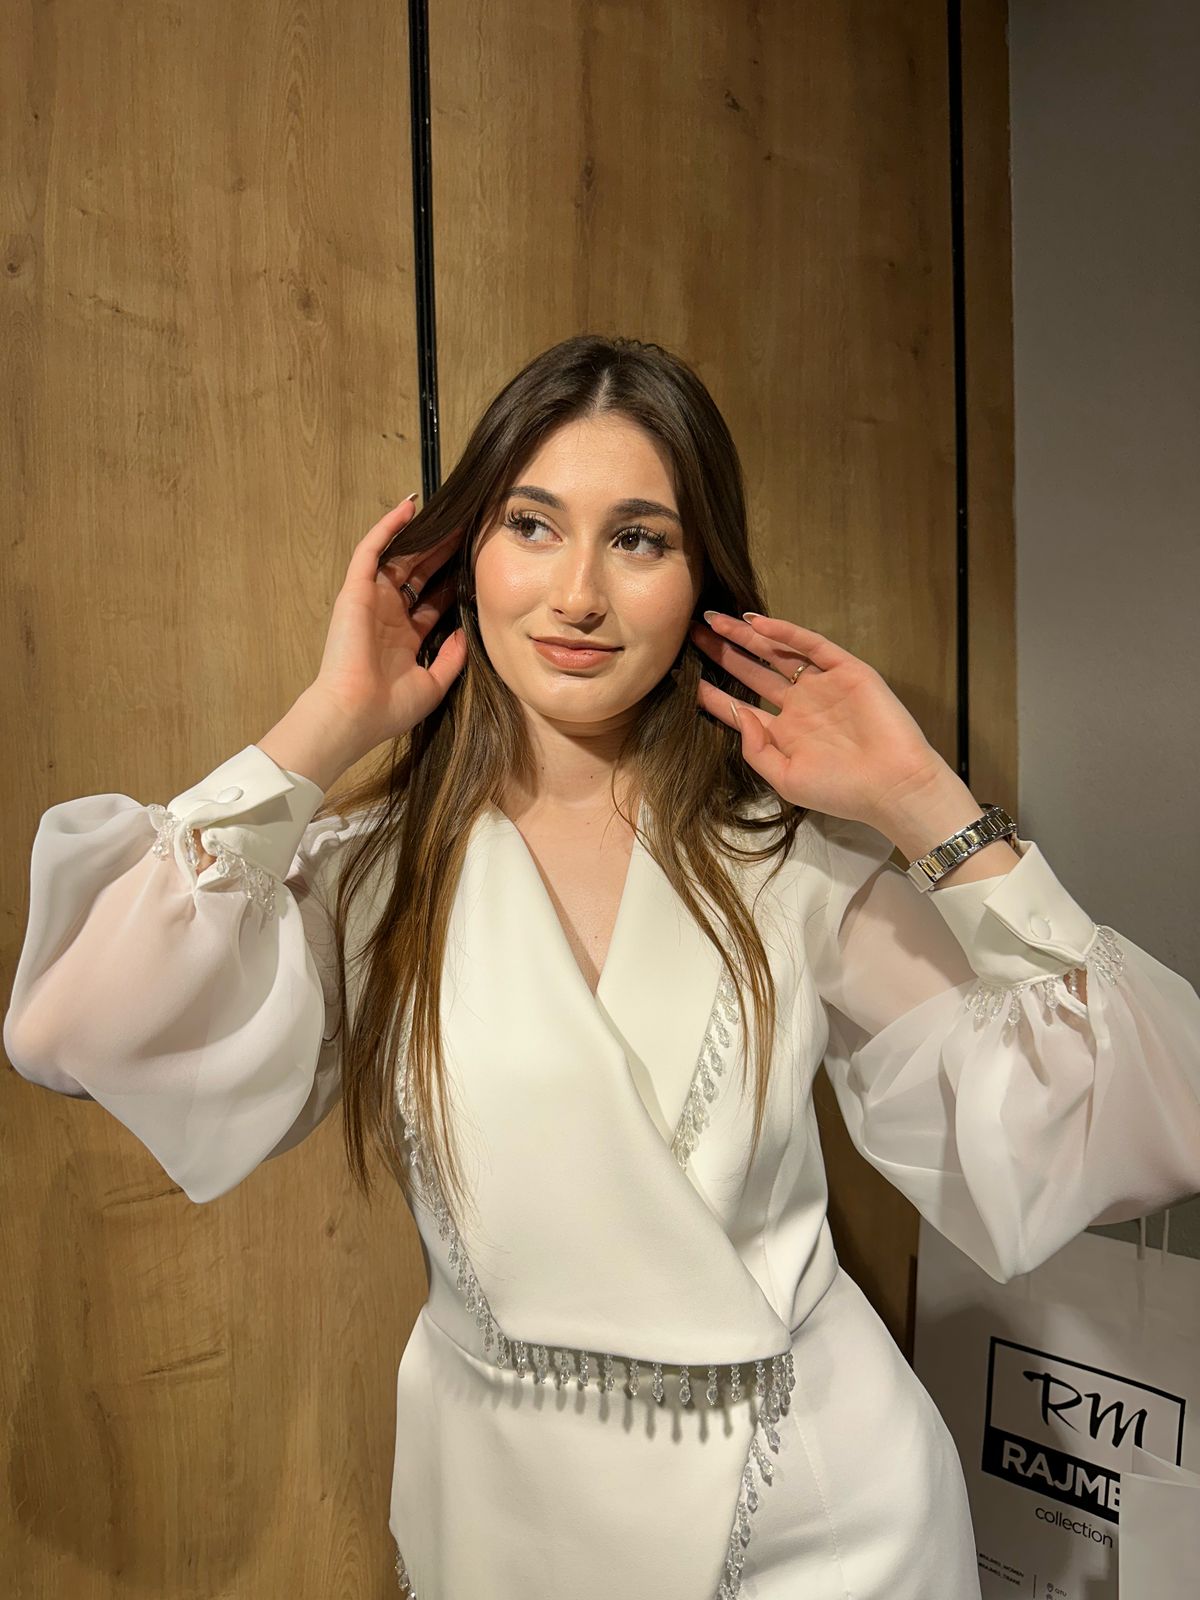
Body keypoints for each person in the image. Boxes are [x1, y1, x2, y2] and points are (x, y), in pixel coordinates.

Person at [5, 334, 1200, 1600]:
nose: (576, 593)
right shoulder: (372, 878)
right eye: (532, 525)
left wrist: (919, 797)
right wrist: (327, 722)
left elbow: (1147, 1125)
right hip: (502, 1526)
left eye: (638, 538)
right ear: (466, 556)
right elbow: (72, 1029)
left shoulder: (789, 865)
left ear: (700, 582)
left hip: (821, 1524)